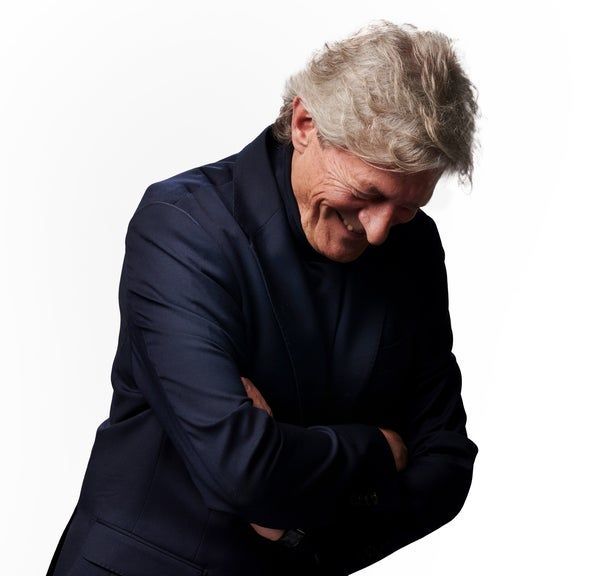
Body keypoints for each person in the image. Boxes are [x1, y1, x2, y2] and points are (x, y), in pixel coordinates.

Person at [46, 20, 480, 576]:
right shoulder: (183, 227)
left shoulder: (412, 246)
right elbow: (241, 467)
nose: (378, 231)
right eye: (367, 193)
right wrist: (378, 449)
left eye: (407, 206)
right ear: (304, 125)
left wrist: (293, 526)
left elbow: (446, 465)